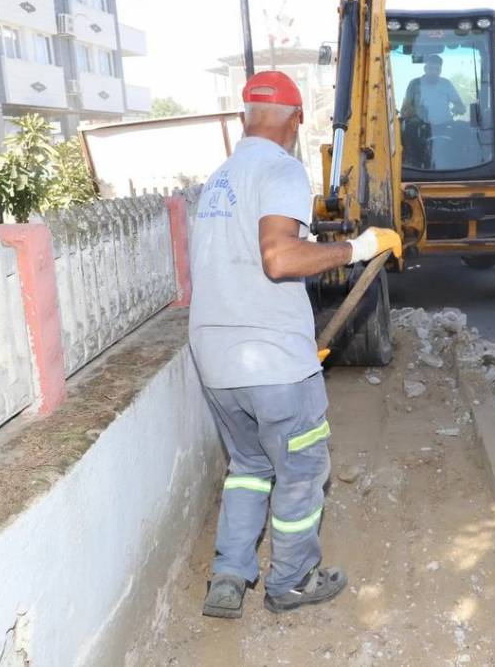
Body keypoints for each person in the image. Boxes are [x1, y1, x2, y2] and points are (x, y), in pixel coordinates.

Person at [189, 71, 402, 619]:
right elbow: (279, 258)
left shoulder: (219, 179)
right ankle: (292, 580)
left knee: (248, 467)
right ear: (297, 120)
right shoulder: (282, 170)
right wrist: (357, 247)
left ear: (244, 118)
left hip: (217, 361)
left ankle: (229, 577)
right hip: (274, 365)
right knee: (302, 474)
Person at [400, 54, 466, 126]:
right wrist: (416, 111)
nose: (434, 72)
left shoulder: (446, 84)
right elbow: (404, 112)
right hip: (421, 129)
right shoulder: (415, 84)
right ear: (425, 68)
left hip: (446, 127)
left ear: (440, 70)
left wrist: (458, 108)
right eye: (431, 68)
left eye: (437, 69)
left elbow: (461, 107)